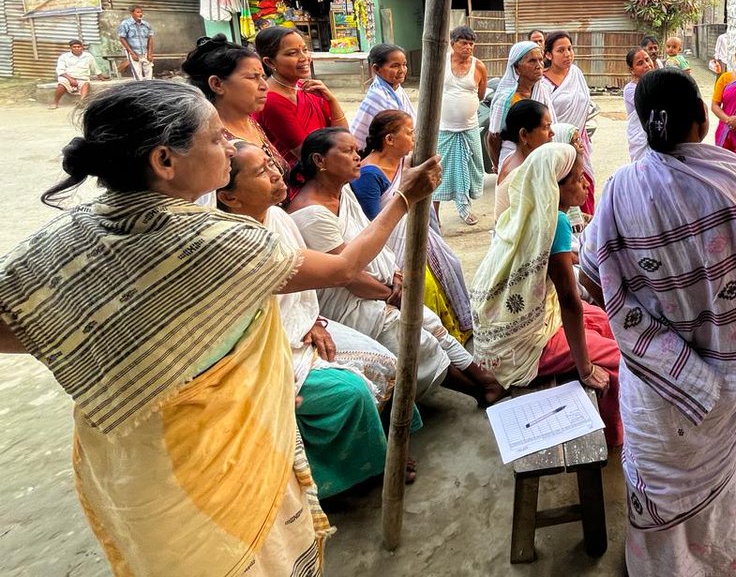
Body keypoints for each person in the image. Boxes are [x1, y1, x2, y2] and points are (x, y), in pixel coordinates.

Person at [0, 80, 441, 575]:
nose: (231, 145)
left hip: (125, 461)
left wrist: (107, 344)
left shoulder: (65, 234)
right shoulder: (219, 242)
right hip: (215, 457)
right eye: (217, 138)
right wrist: (403, 197)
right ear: (165, 161)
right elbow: (342, 269)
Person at [580, 68, 736, 573]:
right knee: (719, 464)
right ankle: (724, 552)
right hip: (726, 364)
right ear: (701, 119)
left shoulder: (618, 191)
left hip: (653, 374)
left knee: (656, 468)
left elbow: (594, 279)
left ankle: (661, 566)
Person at [216, 141, 414, 495]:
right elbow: (340, 270)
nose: (278, 174)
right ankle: (359, 470)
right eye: (261, 172)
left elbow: (299, 293)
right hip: (268, 346)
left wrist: (310, 322)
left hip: (302, 325)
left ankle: (383, 440)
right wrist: (403, 200)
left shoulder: (277, 217)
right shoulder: (238, 243)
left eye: (271, 164)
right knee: (350, 392)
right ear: (229, 198)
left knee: (388, 362)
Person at [286, 128, 501, 402]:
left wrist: (394, 277)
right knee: (415, 340)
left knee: (431, 322)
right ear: (320, 161)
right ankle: (477, 391)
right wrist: (389, 294)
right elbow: (347, 275)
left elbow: (369, 237)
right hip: (350, 301)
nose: (357, 157)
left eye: (357, 150)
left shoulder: (343, 193)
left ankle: (484, 379)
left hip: (380, 286)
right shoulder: (311, 214)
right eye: (348, 151)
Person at [471, 143, 622, 448]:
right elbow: (568, 301)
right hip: (525, 343)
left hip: (499, 332)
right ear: (555, 187)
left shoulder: (524, 212)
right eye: (578, 178)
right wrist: (586, 369)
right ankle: (612, 437)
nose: (586, 183)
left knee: (603, 320)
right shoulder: (556, 222)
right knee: (621, 361)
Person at [351, 109, 474, 340]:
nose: (415, 138)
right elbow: (375, 225)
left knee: (451, 267)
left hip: (417, 240)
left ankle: (452, 337)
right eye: (410, 133)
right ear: (389, 139)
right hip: (392, 253)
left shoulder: (403, 163)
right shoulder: (369, 175)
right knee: (423, 286)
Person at [182, 34, 288, 176]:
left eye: (263, 77)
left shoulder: (249, 121)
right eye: (253, 77)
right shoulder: (213, 141)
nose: (265, 86)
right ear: (217, 84)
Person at [255, 26, 350, 168]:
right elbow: (308, 156)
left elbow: (344, 135)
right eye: (292, 53)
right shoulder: (272, 101)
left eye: (305, 50)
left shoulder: (307, 88)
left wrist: (332, 100)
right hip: (303, 177)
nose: (304, 58)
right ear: (270, 62)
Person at [432, 26, 488, 225]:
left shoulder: (479, 66)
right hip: (444, 129)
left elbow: (481, 95)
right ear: (452, 43)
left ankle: (465, 209)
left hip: (469, 127)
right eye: (463, 43)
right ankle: (434, 214)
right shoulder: (441, 63)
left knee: (471, 169)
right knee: (439, 170)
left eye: (471, 44)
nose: (468, 47)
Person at [542, 30, 597, 214]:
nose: (567, 54)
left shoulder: (576, 73)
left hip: (579, 141)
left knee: (585, 186)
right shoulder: (543, 82)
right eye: (561, 50)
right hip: (558, 144)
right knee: (565, 192)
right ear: (548, 54)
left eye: (570, 48)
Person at [486, 40, 555, 172]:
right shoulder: (506, 100)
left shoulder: (542, 92)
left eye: (541, 60)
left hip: (540, 157)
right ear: (517, 67)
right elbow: (493, 137)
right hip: (513, 159)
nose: (539, 65)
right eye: (532, 61)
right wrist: (497, 165)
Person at [494, 99, 553, 217]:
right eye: (546, 127)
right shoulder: (522, 174)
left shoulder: (513, 158)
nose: (552, 132)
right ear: (524, 135)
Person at [349, 43, 414, 150]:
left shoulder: (397, 89)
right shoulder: (378, 96)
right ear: (377, 69)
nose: (402, 70)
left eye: (404, 64)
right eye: (395, 66)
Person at [51, 39, 106, 108]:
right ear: (70, 48)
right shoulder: (64, 57)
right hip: (67, 77)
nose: (77, 48)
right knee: (61, 85)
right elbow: (60, 70)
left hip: (82, 77)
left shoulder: (88, 56)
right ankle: (55, 102)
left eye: (78, 47)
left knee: (86, 85)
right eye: (74, 47)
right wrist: (71, 80)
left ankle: (82, 102)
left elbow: (94, 68)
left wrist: (100, 77)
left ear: (82, 47)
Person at [624, 46, 653, 162]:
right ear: (632, 70)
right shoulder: (630, 90)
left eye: (647, 59)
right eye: (640, 63)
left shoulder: (657, 82)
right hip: (640, 138)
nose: (647, 65)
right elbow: (650, 105)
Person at [117, 5, 154, 80]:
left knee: (149, 74)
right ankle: (140, 90)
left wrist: (150, 53)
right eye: (138, 12)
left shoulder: (146, 25)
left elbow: (150, 38)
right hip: (133, 52)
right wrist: (132, 53)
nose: (140, 14)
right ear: (132, 13)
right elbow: (122, 38)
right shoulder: (125, 24)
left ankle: (149, 89)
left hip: (145, 52)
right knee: (138, 76)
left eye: (141, 12)